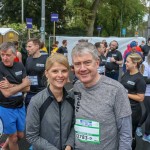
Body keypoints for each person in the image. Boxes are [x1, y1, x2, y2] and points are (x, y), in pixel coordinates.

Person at [71, 42, 132, 150]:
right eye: (77, 64)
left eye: (87, 62)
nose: (82, 68)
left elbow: (125, 134)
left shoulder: (116, 90)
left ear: (97, 63)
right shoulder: (76, 86)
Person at [26, 53, 74, 150]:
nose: (60, 75)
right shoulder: (36, 101)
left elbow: (74, 125)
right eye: (55, 71)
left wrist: (69, 145)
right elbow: (32, 136)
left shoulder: (72, 98)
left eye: (64, 71)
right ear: (47, 73)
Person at [0, 42, 30, 150]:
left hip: (19, 106)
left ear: (14, 55)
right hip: (6, 108)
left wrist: (11, 86)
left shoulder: (19, 65)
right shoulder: (0, 68)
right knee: (13, 138)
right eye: (2, 55)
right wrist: (23, 84)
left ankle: (3, 148)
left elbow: (28, 88)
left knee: (20, 135)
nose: (5, 58)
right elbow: (6, 93)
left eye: (8, 55)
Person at [120, 53, 146, 150]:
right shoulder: (126, 74)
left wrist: (125, 94)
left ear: (135, 64)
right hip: (123, 108)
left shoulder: (139, 79)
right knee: (122, 134)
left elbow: (141, 98)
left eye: (127, 61)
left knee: (129, 135)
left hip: (133, 111)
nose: (125, 63)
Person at [25, 38, 48, 109]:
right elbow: (26, 75)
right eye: (27, 47)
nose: (27, 49)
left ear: (37, 46)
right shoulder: (28, 59)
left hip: (42, 92)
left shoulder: (46, 59)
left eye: (29, 46)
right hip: (30, 93)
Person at [136, 51, 150, 142]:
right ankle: (147, 134)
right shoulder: (145, 65)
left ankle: (138, 126)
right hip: (147, 93)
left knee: (148, 112)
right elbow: (144, 80)